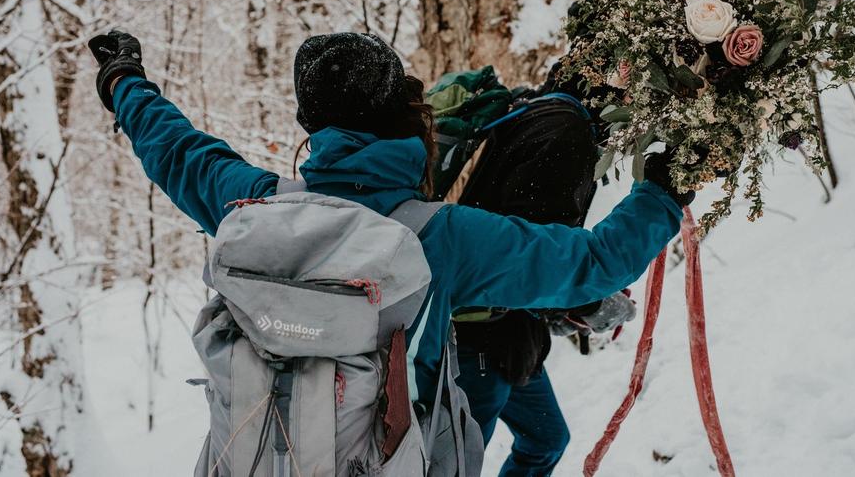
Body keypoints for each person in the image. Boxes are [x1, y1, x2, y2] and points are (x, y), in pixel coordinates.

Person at [88, 29, 688, 459]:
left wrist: (123, 80)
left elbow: (176, 151)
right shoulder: (440, 236)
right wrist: (664, 189)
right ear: (401, 108)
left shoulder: (253, 204)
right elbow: (594, 264)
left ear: (310, 125)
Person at [450, 59, 683, 476]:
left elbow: (522, 238)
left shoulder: (532, 106)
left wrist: (566, 305)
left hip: (510, 334)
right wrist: (583, 302)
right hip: (480, 337)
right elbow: (531, 263)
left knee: (546, 439)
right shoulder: (565, 132)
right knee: (455, 464)